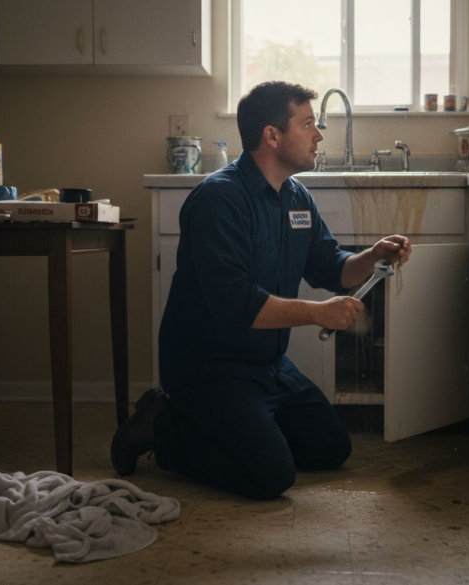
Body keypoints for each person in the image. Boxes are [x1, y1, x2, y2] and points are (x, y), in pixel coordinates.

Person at [110, 81, 411, 499]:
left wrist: (373, 255)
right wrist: (318, 313)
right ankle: (161, 426)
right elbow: (234, 302)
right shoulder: (219, 199)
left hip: (266, 365)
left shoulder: (295, 196)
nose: (318, 135)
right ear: (272, 135)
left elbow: (330, 265)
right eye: (307, 124)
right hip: (210, 367)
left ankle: (241, 430)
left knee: (331, 446)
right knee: (270, 476)